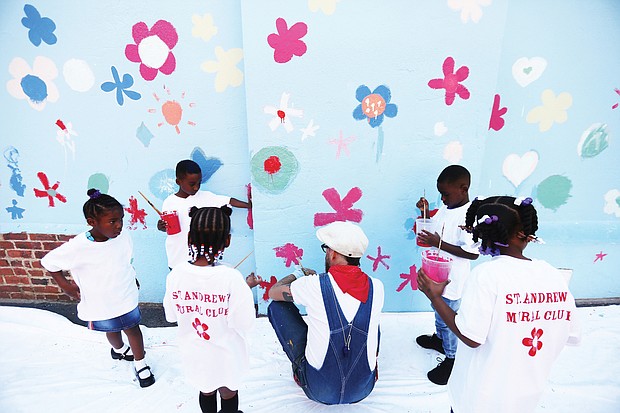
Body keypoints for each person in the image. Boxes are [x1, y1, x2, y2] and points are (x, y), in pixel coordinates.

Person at [417, 196, 580, 413]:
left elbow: (471, 337)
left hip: (478, 398)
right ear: (527, 233)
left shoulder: (487, 276)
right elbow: (571, 334)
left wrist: (435, 297)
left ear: (482, 234)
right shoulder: (553, 275)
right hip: (526, 397)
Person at [41, 189, 155, 388]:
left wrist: (133, 277)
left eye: (121, 219)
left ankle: (141, 363)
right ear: (92, 222)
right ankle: (119, 350)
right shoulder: (78, 247)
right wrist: (66, 286)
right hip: (101, 301)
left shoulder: (122, 235)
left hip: (124, 294)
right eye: (112, 221)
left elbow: (124, 261)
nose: (119, 225)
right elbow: (49, 262)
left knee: (133, 329)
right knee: (112, 329)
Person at [267, 221, 385, 405]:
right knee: (371, 317)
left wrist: (299, 275)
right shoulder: (377, 287)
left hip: (318, 390)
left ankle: (302, 372)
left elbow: (273, 292)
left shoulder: (313, 285)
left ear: (333, 253)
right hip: (363, 390)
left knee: (276, 307)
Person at [163, 206, 255, 413]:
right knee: (228, 391)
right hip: (227, 354)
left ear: (189, 238)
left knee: (206, 389)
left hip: (195, 353)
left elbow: (171, 315)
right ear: (227, 241)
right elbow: (244, 322)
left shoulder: (176, 274)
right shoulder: (232, 278)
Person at [415, 164, 479, 385]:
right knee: (438, 312)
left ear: (463, 188)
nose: (442, 199)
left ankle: (452, 358)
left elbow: (472, 254)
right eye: (440, 194)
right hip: (437, 276)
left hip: (453, 281)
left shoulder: (469, 217)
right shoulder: (447, 208)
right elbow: (436, 227)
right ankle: (441, 340)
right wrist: (424, 213)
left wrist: (438, 243)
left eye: (446, 194)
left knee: (449, 319)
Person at [158, 159, 251, 269]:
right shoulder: (169, 202)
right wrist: (161, 227)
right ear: (178, 182)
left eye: (199, 183)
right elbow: (167, 227)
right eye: (192, 184)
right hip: (177, 259)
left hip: (200, 261)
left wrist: (249, 205)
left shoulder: (206, 197)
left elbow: (229, 201)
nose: (196, 187)